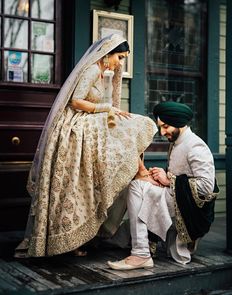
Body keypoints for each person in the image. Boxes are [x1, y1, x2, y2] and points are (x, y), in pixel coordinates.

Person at [15, 34, 157, 258]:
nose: (120, 63)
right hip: (76, 123)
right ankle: (139, 172)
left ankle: (136, 172)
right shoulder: (92, 70)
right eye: (119, 57)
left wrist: (112, 111)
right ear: (107, 54)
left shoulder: (106, 74)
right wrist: (105, 110)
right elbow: (76, 101)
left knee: (134, 126)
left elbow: (108, 105)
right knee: (138, 125)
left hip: (92, 121)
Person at [108, 101, 219, 270]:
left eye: (166, 126)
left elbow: (206, 187)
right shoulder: (177, 142)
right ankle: (127, 244)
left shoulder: (196, 146)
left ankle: (141, 253)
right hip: (176, 198)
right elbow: (181, 175)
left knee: (137, 187)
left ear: (179, 123)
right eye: (160, 127)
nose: (162, 132)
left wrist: (169, 181)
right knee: (137, 185)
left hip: (189, 210)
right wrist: (161, 176)